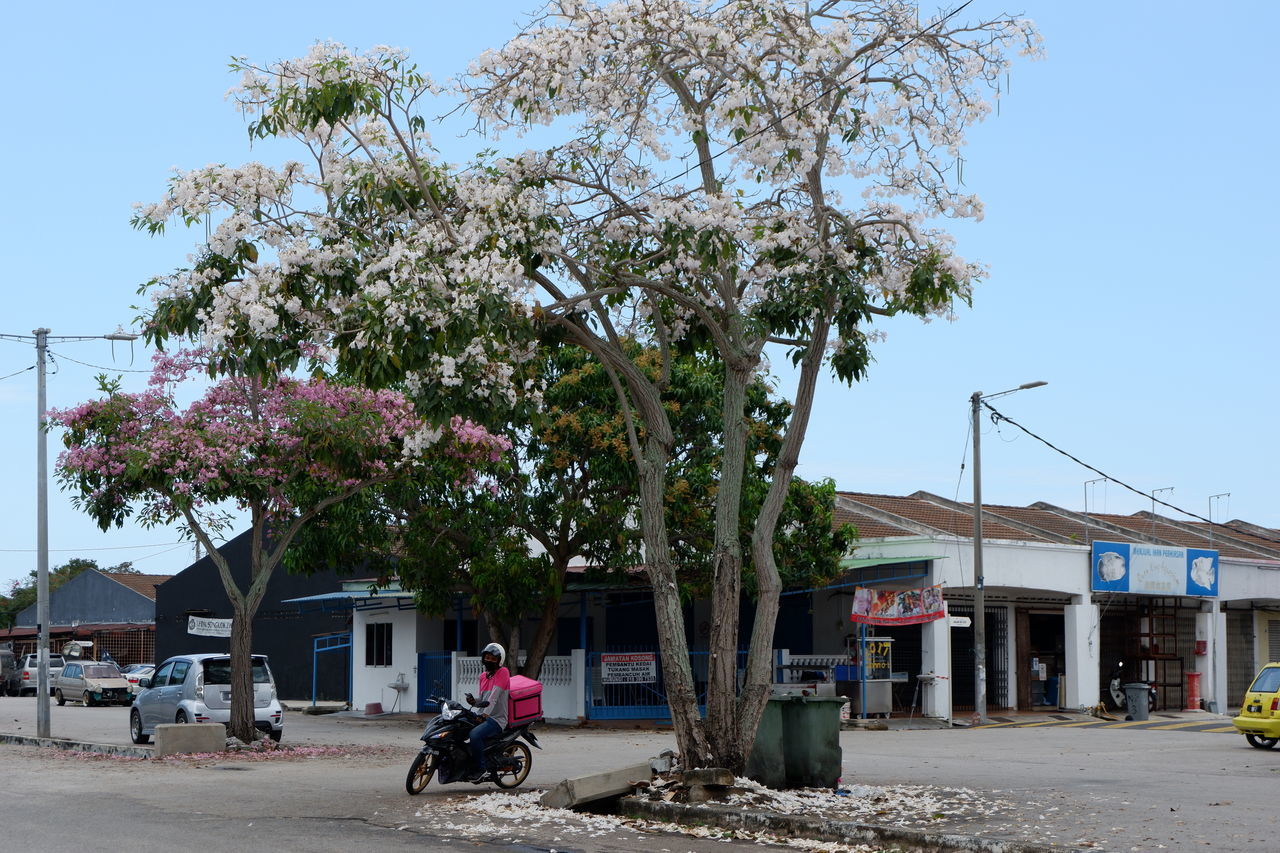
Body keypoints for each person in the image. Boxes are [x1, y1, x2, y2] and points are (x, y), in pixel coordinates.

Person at [464, 642, 510, 781]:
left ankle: (481, 769)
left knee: (475, 734)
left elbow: (494, 698)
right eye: (487, 658)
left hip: (496, 718)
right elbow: (483, 699)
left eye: (493, 658)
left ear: (499, 660)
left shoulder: (503, 672)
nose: (489, 661)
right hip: (482, 716)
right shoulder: (483, 676)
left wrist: (484, 715)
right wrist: (473, 701)